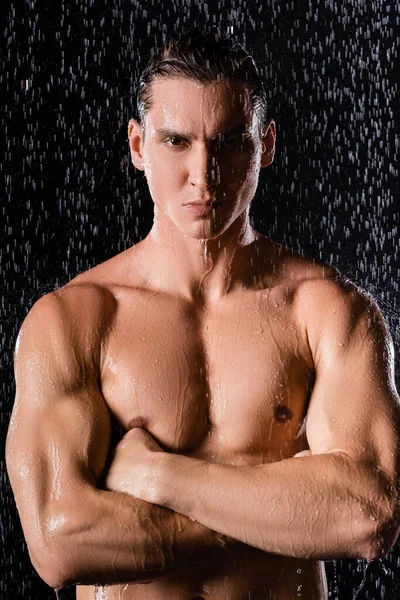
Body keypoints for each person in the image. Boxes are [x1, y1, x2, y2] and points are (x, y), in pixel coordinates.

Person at [6, 29, 400, 600]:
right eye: (176, 142)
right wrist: (286, 516)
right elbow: (59, 543)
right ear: (138, 146)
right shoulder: (73, 321)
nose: (204, 173)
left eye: (230, 143)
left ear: (265, 145)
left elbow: (367, 513)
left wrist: (158, 477)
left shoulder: (327, 311)